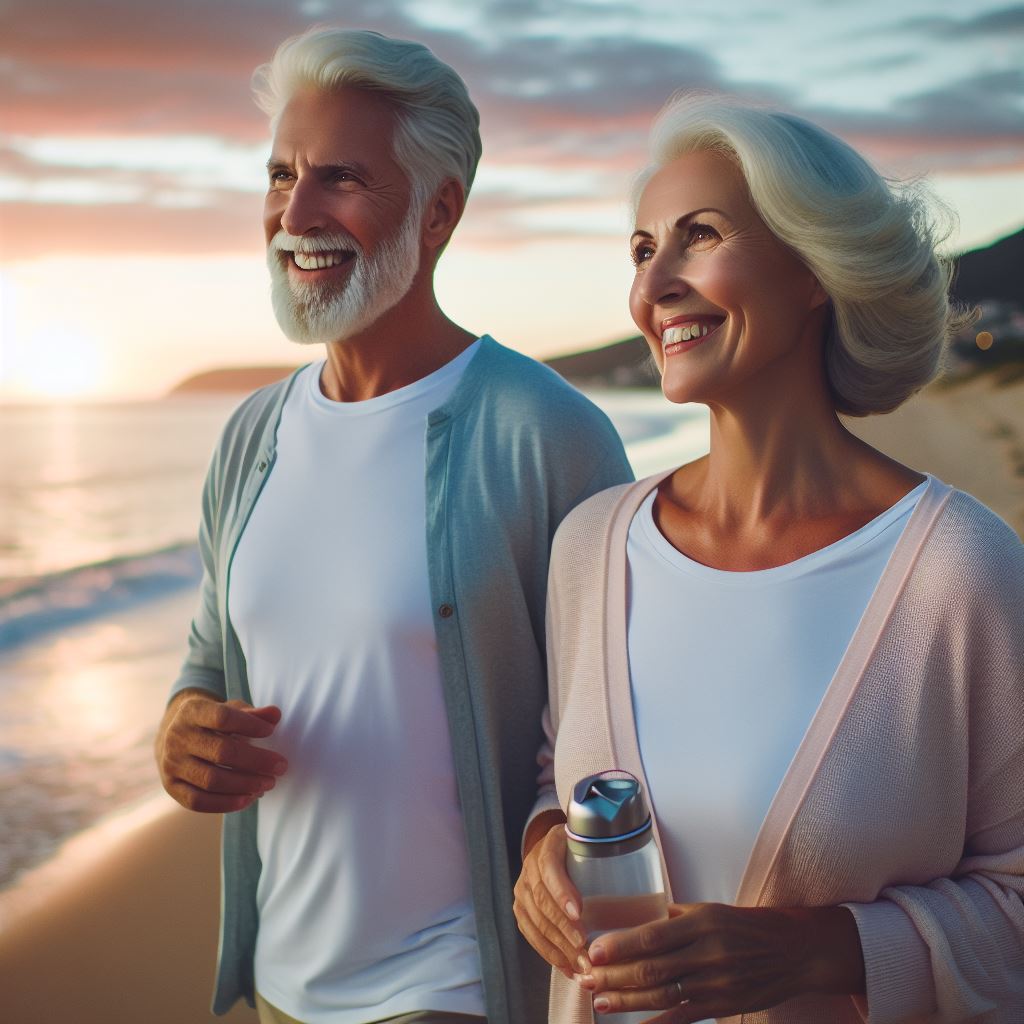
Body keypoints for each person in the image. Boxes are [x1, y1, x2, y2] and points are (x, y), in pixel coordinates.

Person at [154, 27, 633, 1024]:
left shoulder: (548, 434)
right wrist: (181, 727)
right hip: (282, 983)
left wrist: (559, 832)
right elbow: (209, 656)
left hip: (454, 986)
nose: (295, 214)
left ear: (437, 211)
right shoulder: (251, 435)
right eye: (280, 175)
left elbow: (615, 722)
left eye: (339, 178)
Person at [513, 94, 1024, 1023]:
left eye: (699, 236)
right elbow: (561, 771)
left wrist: (818, 951)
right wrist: (545, 843)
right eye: (641, 251)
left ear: (814, 269)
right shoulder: (592, 545)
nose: (654, 285)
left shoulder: (959, 569)